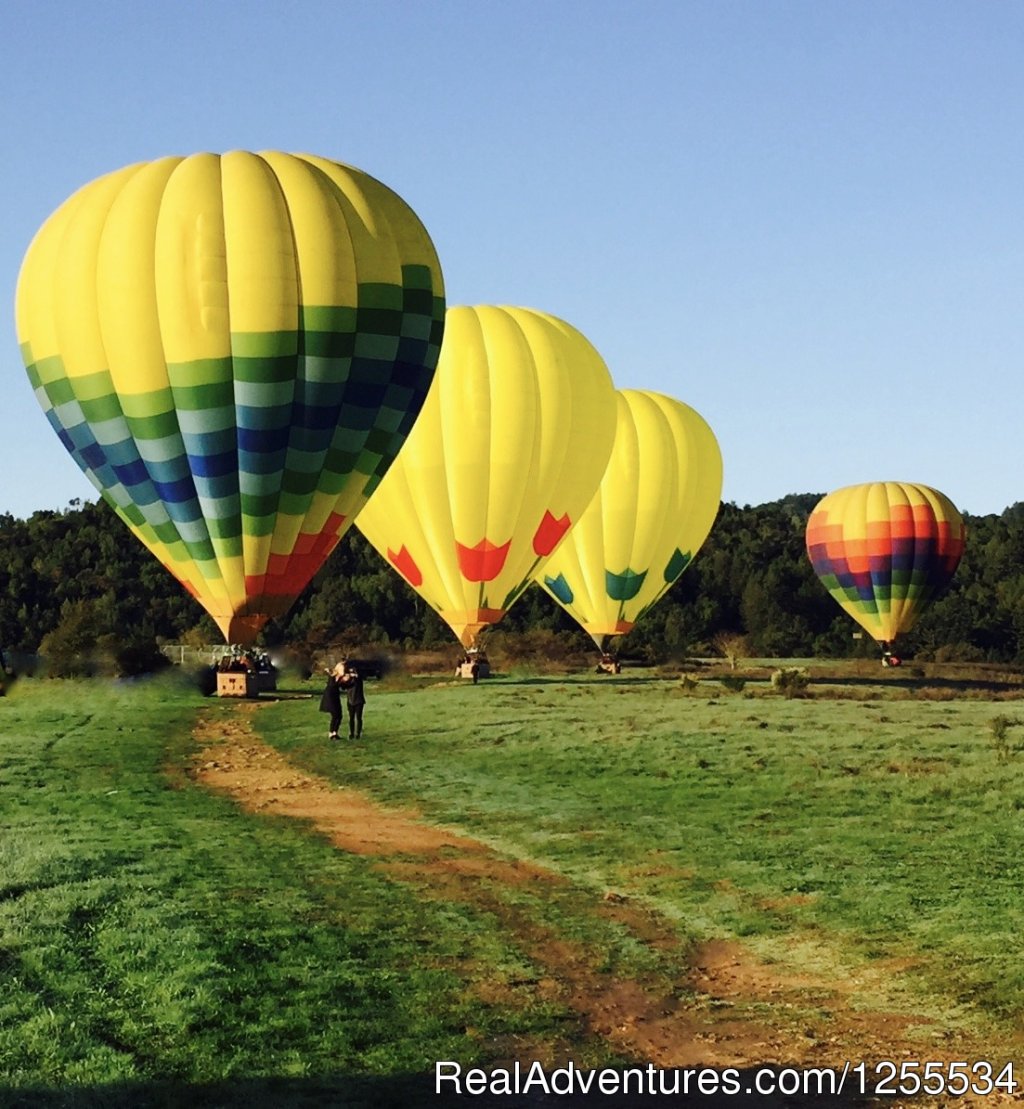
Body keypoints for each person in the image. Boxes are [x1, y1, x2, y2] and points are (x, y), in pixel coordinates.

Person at [319, 662, 346, 741]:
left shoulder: (339, 677)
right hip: (330, 698)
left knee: (339, 715)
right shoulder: (333, 675)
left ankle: (335, 733)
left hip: (335, 697)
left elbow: (342, 686)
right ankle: (331, 733)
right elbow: (332, 685)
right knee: (335, 715)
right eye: (342, 669)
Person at [338, 663, 366, 738]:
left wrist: (353, 675)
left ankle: (358, 734)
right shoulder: (348, 681)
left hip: (359, 701)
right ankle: (351, 733)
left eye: (352, 672)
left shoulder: (358, 679)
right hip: (350, 701)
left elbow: (359, 677)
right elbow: (342, 686)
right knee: (351, 718)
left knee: (359, 718)